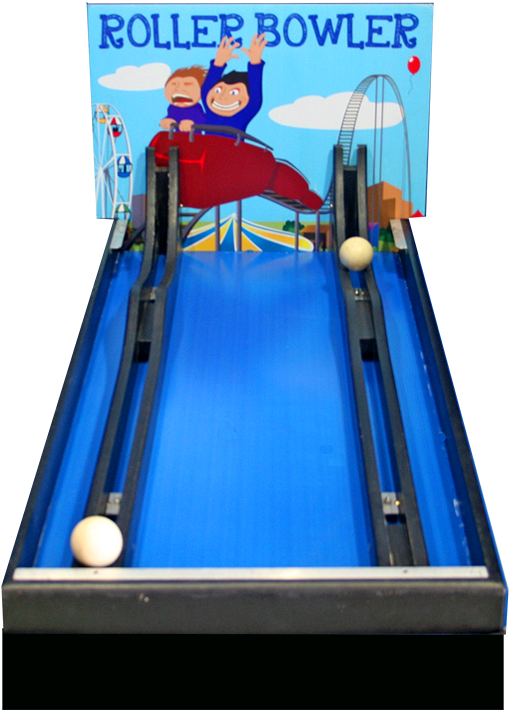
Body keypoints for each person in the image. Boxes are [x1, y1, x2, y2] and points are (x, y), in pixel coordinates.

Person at [200, 34, 268, 135]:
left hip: (235, 145)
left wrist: (255, 62)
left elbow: (255, 98)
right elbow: (206, 91)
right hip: (207, 145)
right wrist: (218, 62)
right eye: (218, 90)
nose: (222, 97)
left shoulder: (243, 114)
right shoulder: (210, 109)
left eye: (233, 92)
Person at [159, 65, 208, 133]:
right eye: (174, 84)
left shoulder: (196, 108)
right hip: (176, 137)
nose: (179, 89)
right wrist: (166, 121)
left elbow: (204, 120)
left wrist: (192, 123)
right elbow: (171, 116)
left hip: (194, 137)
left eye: (187, 84)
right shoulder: (172, 107)